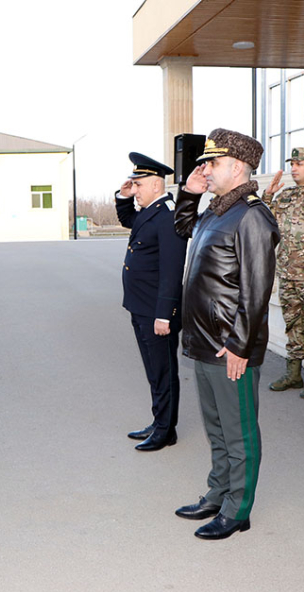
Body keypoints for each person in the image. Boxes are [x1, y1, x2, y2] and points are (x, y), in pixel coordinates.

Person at [172, 129, 279, 540]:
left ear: (237, 167)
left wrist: (240, 345)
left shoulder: (252, 216)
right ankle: (218, 494)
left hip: (229, 346)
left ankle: (238, 510)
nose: (206, 169)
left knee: (239, 433)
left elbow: (256, 290)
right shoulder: (217, 211)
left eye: (212, 163)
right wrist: (189, 193)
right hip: (203, 341)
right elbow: (182, 229)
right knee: (216, 428)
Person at [115, 152, 189, 451]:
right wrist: (123, 197)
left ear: (156, 185)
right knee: (153, 370)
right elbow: (129, 220)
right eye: (133, 184)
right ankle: (159, 421)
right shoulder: (151, 212)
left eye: (139, 184)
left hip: (156, 311)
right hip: (141, 305)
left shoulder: (168, 215)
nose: (135, 190)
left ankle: (166, 431)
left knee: (163, 371)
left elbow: (172, 270)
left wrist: (164, 315)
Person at [262, 147, 304, 398]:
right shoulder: (286, 195)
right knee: (292, 325)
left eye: (299, 164)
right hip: (287, 273)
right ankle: (293, 374)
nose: (294, 168)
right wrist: (268, 196)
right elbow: (266, 221)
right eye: (292, 164)